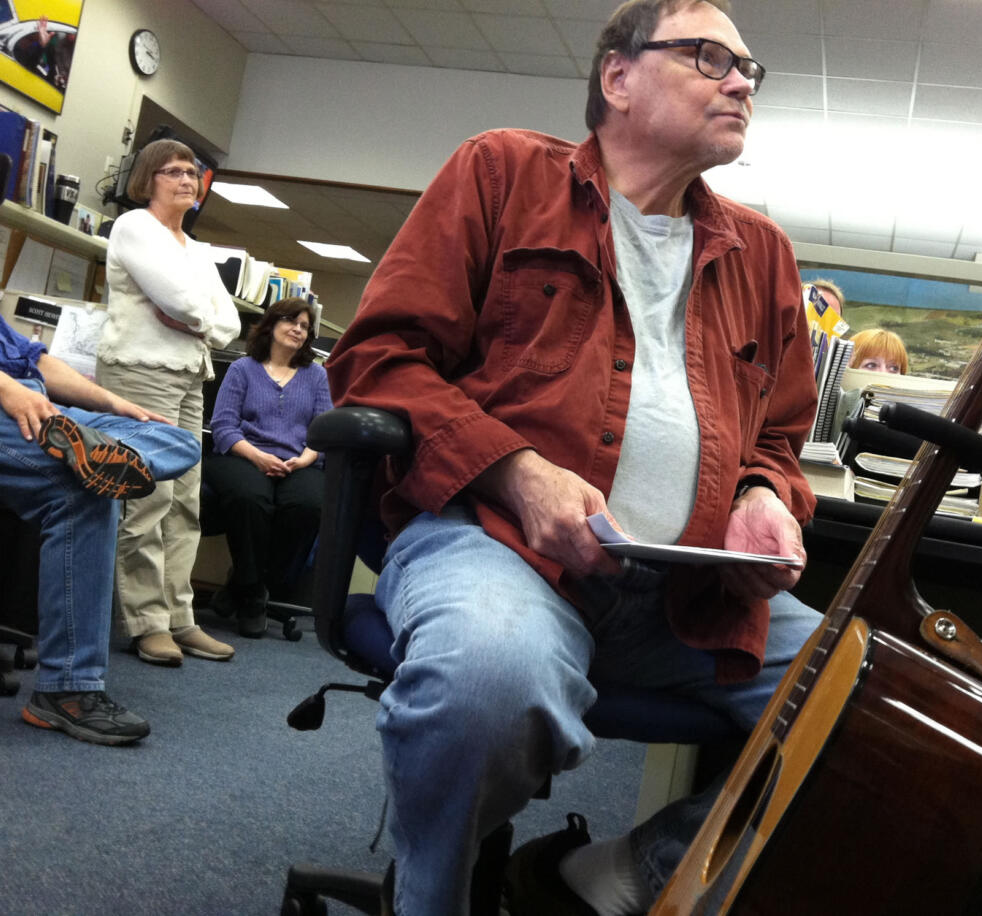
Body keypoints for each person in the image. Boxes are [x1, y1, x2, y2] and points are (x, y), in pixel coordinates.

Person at [323, 1, 824, 913]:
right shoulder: (504, 173)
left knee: (878, 720)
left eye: (751, 68)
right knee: (487, 682)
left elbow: (780, 437)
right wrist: (519, 470)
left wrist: (764, 493)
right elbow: (377, 361)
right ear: (618, 77)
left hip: (690, 590)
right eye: (711, 56)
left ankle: (620, 874)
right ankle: (432, 898)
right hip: (502, 546)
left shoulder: (764, 255)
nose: (743, 81)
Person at [0, 266, 200, 745]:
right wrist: (5, 387)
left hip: (33, 401)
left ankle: (97, 452)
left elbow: (34, 359)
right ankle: (66, 692)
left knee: (180, 440)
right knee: (83, 492)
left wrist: (112, 403)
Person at [97, 138, 242, 667]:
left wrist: (195, 319)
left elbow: (228, 325)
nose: (187, 180)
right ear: (147, 179)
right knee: (147, 500)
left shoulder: (195, 249)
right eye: (174, 171)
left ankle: (180, 617)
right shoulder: (134, 226)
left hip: (188, 374)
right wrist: (195, 313)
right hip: (140, 369)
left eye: (193, 173)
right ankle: (145, 621)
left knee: (185, 502)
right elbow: (179, 300)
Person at [204, 297, 332, 637]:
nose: (298, 329)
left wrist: (304, 459)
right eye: (291, 321)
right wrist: (258, 457)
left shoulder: (317, 375)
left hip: (297, 462)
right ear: (271, 325)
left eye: (305, 326)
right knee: (250, 499)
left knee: (309, 505)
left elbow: (321, 431)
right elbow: (223, 426)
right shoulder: (242, 369)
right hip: (244, 456)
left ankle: (243, 587)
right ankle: (252, 596)